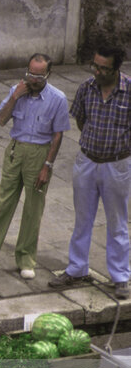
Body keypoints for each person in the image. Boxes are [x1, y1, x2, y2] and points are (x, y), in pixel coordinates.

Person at [49, 43, 131, 299]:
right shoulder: (87, 87)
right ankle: (76, 268)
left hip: (117, 164)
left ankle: (120, 276)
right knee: (82, 218)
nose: (97, 71)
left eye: (104, 68)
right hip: (87, 160)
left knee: (117, 222)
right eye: (95, 66)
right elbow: (81, 119)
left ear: (116, 69)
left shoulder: (129, 91)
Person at [0, 54, 69, 281]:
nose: (33, 80)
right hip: (16, 149)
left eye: (39, 76)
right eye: (30, 74)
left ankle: (26, 258)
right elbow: (1, 120)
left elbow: (58, 135)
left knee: (33, 208)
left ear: (48, 74)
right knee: (3, 205)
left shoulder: (58, 98)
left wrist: (47, 165)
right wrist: (14, 97)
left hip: (40, 152)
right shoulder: (17, 90)